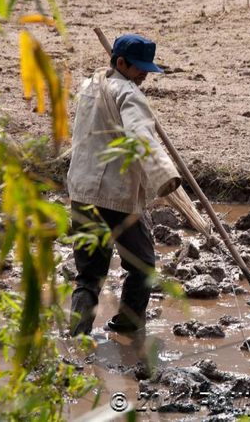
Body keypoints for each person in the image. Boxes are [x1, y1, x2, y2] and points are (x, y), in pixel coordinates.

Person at [67, 34, 181, 336]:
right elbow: (142, 137)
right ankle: (129, 326)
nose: (145, 74)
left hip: (81, 190)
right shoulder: (129, 94)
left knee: (88, 275)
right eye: (140, 68)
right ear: (121, 63)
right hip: (115, 196)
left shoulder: (88, 85)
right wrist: (165, 177)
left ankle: (76, 336)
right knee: (143, 265)